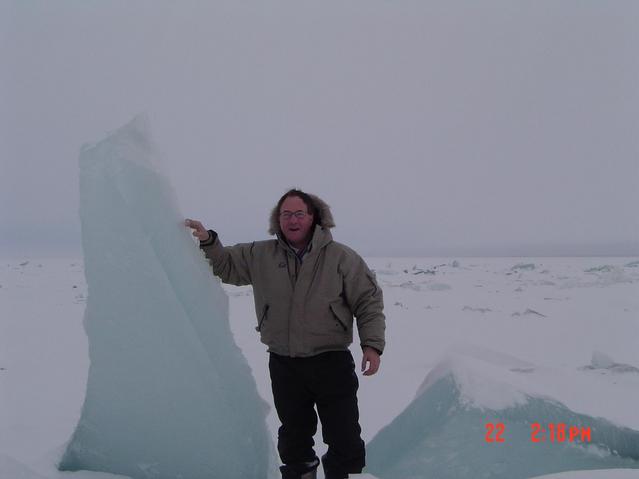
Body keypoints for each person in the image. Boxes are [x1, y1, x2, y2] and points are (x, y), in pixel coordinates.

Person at [185, 188, 386, 479]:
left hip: (332, 362)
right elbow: (225, 266)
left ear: (314, 216)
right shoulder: (260, 254)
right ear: (278, 219)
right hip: (285, 363)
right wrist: (208, 240)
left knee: (344, 437)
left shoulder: (341, 257)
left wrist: (372, 345)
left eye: (299, 214)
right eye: (286, 214)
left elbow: (368, 300)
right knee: (294, 439)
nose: (292, 220)